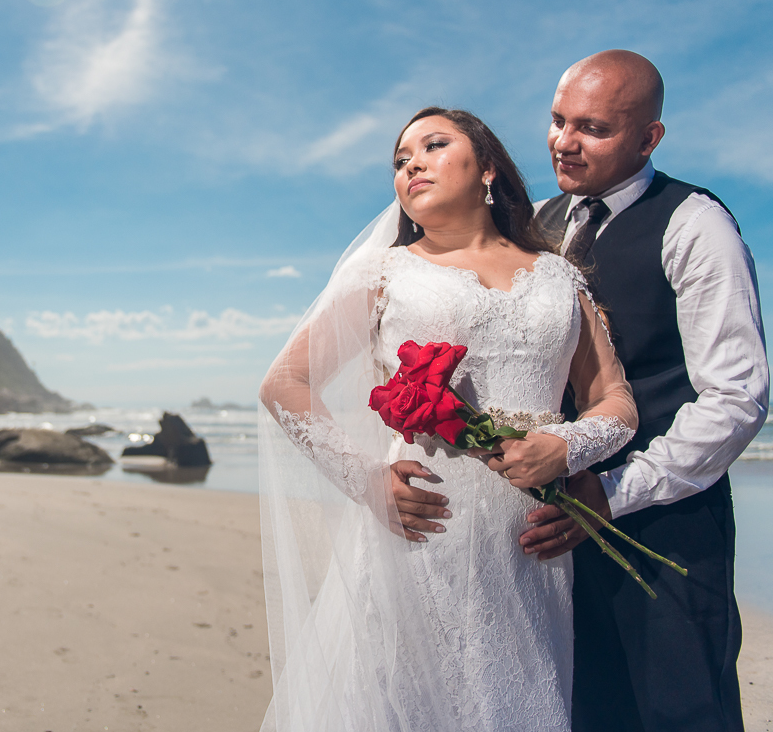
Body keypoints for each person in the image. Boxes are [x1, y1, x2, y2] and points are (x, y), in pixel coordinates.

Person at [258, 106, 638, 731]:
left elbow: (615, 400)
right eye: (401, 161)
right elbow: (284, 383)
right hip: (423, 531)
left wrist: (566, 446)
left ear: (488, 168)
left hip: (529, 545)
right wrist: (366, 483)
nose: (412, 165)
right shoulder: (383, 273)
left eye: (434, 146)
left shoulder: (559, 276)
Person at [517, 50, 767, 732]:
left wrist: (612, 491)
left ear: (648, 137)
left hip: (667, 532)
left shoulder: (696, 224)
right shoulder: (536, 223)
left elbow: (737, 397)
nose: (564, 142)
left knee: (675, 716)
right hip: (551, 536)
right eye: (557, 120)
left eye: (592, 128)